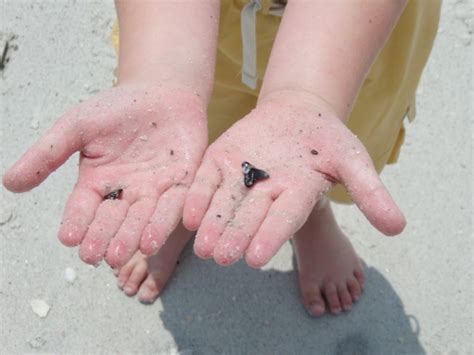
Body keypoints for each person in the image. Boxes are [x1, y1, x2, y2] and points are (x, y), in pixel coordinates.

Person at [3, 0, 441, 316]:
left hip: (351, 36)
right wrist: (163, 73)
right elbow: (170, 80)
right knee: (190, 123)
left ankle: (309, 210)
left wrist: (308, 94)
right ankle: (179, 199)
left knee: (314, 146)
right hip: (199, 31)